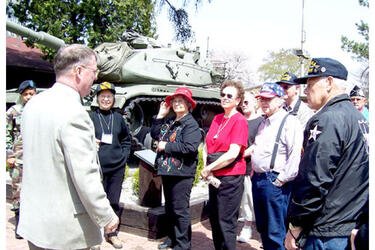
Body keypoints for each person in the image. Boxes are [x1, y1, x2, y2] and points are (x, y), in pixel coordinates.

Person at [18, 44, 119, 250]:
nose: (95, 78)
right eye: (94, 72)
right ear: (78, 71)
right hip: (66, 232)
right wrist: (106, 215)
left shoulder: (33, 105)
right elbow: (84, 174)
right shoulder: (74, 112)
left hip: (35, 223)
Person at [285, 58, 369, 250]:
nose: (306, 91)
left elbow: (314, 180)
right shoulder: (358, 118)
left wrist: (295, 226)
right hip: (350, 222)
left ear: (329, 82)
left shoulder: (327, 119)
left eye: (310, 84)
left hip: (327, 229)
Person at [249, 82, 303, 250]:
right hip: (259, 179)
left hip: (274, 181)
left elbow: (294, 156)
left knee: (275, 230)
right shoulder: (264, 122)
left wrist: (280, 179)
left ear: (280, 100)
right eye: (262, 99)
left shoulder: (290, 122)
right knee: (263, 227)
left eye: (268, 99)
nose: (264, 103)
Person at [150, 87, 202, 250]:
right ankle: (172, 238)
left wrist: (166, 146)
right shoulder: (172, 122)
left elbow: (189, 147)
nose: (177, 104)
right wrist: (160, 116)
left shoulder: (190, 124)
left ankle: (183, 244)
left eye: (181, 101)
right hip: (169, 171)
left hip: (182, 174)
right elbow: (155, 134)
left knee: (180, 210)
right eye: (175, 101)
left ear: (188, 104)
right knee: (171, 209)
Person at [201, 80, 248, 250]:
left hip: (230, 178)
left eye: (230, 96)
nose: (225, 98)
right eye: (223, 95)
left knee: (226, 222)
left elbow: (232, 154)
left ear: (237, 100)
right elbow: (207, 144)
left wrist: (208, 168)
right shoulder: (217, 118)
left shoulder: (239, 120)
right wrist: (208, 168)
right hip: (214, 177)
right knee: (214, 218)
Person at [89, 81, 131, 249]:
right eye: (102, 97)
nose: (105, 100)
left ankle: (111, 233)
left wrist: (124, 158)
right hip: (96, 168)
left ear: (113, 99)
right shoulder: (90, 117)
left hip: (116, 168)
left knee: (113, 201)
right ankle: (93, 237)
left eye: (109, 97)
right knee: (94, 202)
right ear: (97, 99)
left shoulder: (119, 118)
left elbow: (126, 140)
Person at [6, 80, 36, 239]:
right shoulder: (14, 111)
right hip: (18, 158)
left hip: (37, 157)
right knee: (18, 189)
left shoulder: (40, 111)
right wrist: (8, 156)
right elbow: (6, 134)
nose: (29, 97)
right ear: (21, 96)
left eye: (32, 94)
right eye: (25, 94)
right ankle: (19, 223)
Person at [237, 90, 262, 243]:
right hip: (233, 166)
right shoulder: (238, 119)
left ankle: (247, 226)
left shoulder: (260, 122)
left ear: (254, 103)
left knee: (248, 199)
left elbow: (257, 145)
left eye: (246, 102)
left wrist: (237, 155)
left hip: (248, 167)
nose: (243, 105)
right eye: (242, 102)